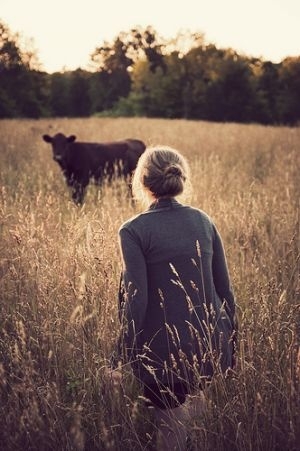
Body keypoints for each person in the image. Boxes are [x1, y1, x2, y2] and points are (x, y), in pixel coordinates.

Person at [116, 145, 237, 450]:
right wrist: (231, 347)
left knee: (170, 437)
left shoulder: (133, 231)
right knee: (196, 431)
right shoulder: (203, 221)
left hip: (162, 353)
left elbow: (137, 300)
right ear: (181, 176)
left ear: (142, 181)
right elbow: (226, 292)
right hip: (210, 346)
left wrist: (121, 355)